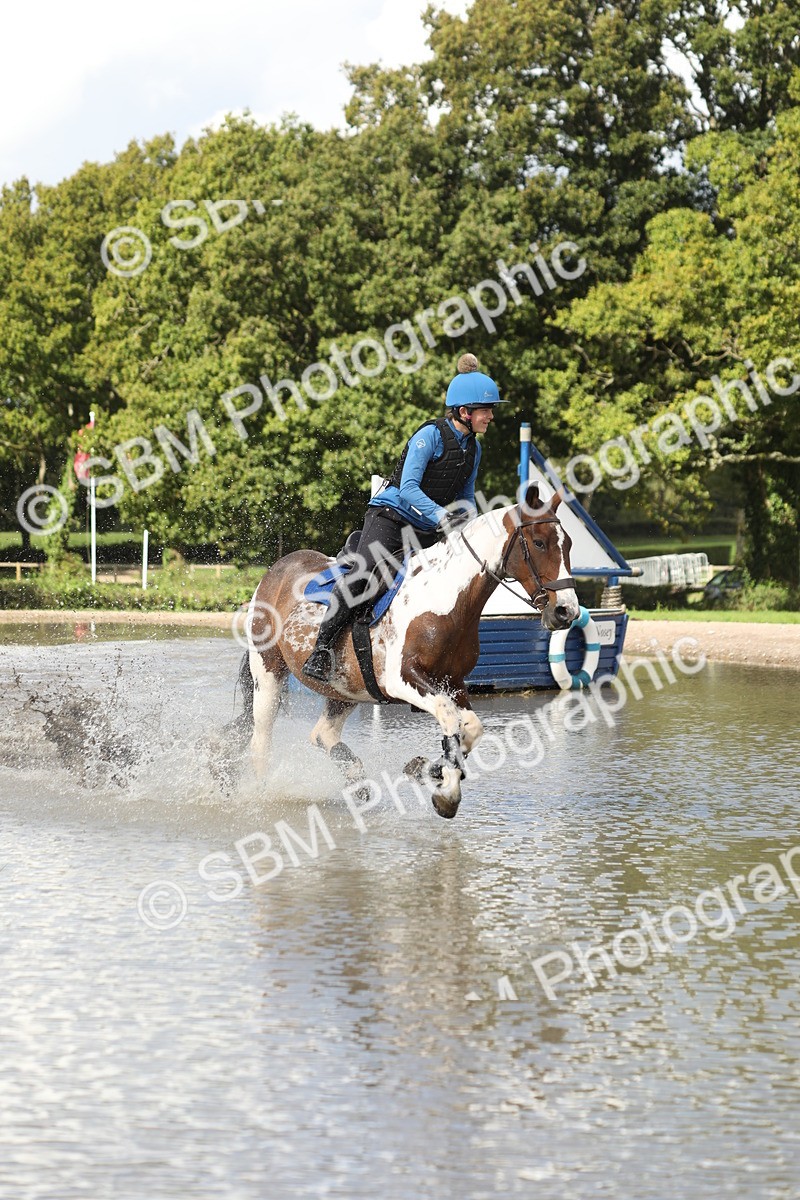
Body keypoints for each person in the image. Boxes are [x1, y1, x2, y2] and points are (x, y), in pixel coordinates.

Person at [302, 353, 505, 683]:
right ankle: (321, 650)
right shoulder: (429, 437)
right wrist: (441, 515)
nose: (491, 417)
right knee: (364, 575)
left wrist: (473, 525)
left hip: (426, 529)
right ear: (465, 412)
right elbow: (409, 489)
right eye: (487, 410)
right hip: (391, 518)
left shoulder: (473, 449)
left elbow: (466, 498)